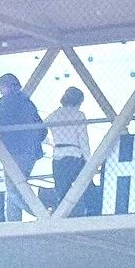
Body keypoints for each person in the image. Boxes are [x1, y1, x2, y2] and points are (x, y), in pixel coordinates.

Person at [0, 73, 45, 222]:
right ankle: (14, 220)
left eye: (1, 87)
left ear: (9, 86)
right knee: (18, 187)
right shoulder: (28, 103)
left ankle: (42, 213)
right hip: (28, 152)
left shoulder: (6, 104)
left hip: (11, 152)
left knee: (13, 189)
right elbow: (42, 129)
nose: (0, 90)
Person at [46, 87, 89, 215]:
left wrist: (51, 143)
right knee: (81, 185)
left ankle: (62, 215)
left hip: (58, 154)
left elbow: (40, 131)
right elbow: (83, 139)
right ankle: (83, 212)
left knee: (61, 189)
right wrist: (88, 159)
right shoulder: (79, 115)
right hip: (74, 154)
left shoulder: (54, 114)